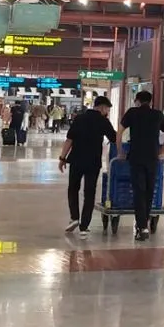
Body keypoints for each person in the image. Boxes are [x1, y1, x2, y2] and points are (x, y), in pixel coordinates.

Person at [58, 96, 117, 239]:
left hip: (76, 160)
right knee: (89, 193)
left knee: (73, 188)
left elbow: (69, 140)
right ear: (102, 107)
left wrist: (62, 158)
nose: (107, 111)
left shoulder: (79, 118)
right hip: (93, 162)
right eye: (107, 109)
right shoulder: (103, 121)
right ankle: (84, 227)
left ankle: (74, 218)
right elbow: (115, 139)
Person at [118, 91, 164, 241]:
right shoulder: (158, 114)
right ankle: (144, 225)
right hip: (152, 158)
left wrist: (121, 151)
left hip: (136, 157)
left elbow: (120, 132)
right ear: (150, 101)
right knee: (148, 191)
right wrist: (162, 151)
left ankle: (142, 227)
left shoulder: (132, 113)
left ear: (138, 101)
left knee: (138, 191)